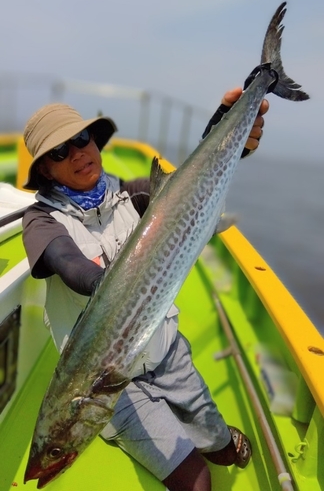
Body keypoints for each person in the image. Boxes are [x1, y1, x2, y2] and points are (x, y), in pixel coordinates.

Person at [22, 88, 269, 491]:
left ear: (95, 142)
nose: (78, 153)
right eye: (60, 153)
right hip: (118, 390)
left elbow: (191, 183)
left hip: (165, 350)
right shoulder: (41, 220)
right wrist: (106, 285)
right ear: (46, 171)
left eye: (81, 140)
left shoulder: (132, 193)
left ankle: (219, 438)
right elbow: (67, 262)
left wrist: (227, 131)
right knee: (198, 482)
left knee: (220, 444)